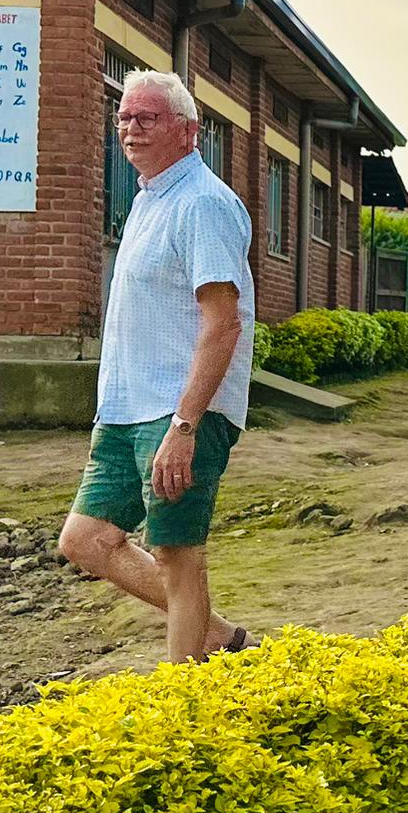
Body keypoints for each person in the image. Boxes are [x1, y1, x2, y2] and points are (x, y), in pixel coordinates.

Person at [58, 69, 255, 663]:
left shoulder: (203, 205)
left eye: (147, 118)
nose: (131, 129)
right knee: (86, 540)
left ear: (189, 132)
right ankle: (217, 638)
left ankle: (181, 699)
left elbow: (223, 323)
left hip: (179, 413)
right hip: (126, 411)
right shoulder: (150, 198)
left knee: (176, 554)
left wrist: (186, 426)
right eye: (123, 118)